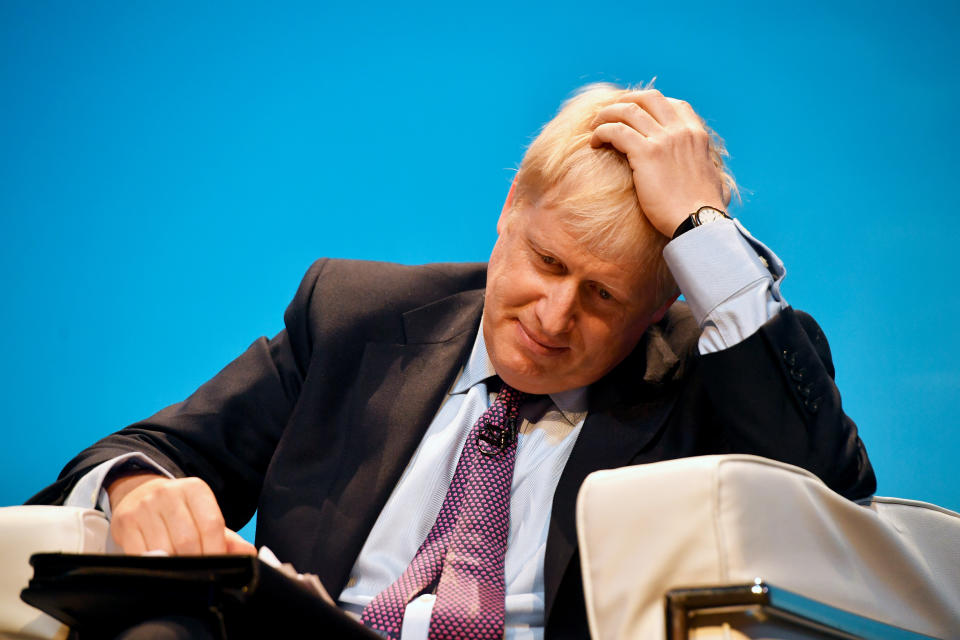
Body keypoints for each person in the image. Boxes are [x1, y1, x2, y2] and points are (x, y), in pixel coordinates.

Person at [29, 83, 875, 639]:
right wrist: (140, 492)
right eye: (547, 262)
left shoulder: (700, 376)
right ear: (511, 208)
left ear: (660, 305)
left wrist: (700, 230)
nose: (553, 317)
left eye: (603, 297)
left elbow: (833, 514)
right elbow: (136, 453)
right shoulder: (357, 318)